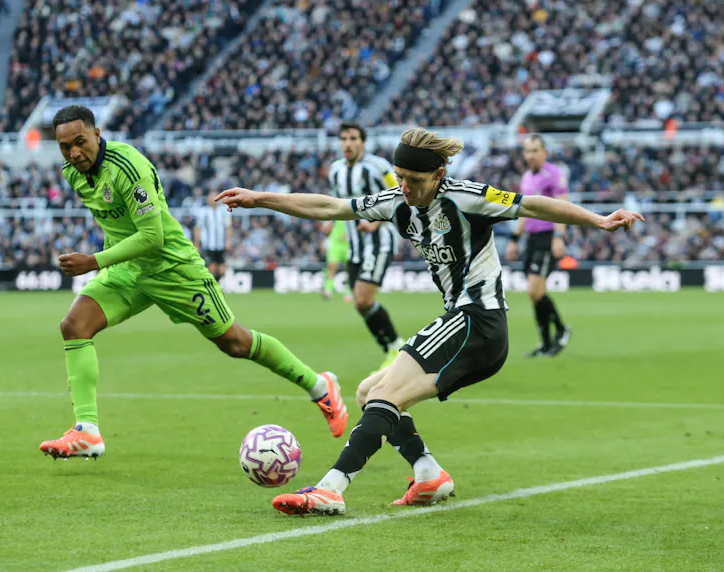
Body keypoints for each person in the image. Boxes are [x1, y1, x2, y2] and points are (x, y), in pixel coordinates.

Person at [216, 127, 643, 515]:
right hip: (468, 327)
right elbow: (330, 207)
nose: (403, 187)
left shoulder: (468, 196)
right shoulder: (396, 201)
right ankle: (427, 473)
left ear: (438, 174)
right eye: (399, 177)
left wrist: (598, 219)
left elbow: (532, 204)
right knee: (370, 392)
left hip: (478, 319)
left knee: (383, 391)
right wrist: (260, 199)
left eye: (413, 180)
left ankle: (331, 487)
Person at [39, 106, 348, 460]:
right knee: (74, 325)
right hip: (127, 269)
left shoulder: (128, 166)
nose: (74, 153)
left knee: (234, 342)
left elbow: (153, 236)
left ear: (96, 134)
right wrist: (109, 258)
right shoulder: (71, 172)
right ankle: (87, 431)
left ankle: (320, 386)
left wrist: (95, 261)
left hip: (173, 268)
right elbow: (117, 224)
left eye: (80, 142)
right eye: (65, 147)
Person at [328, 122, 404, 370]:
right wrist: (331, 225)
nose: (347, 144)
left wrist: (377, 222)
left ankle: (396, 348)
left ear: (362, 142)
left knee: (361, 299)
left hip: (379, 241)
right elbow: (337, 204)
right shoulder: (335, 170)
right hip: (354, 247)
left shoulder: (378, 167)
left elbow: (400, 196)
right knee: (362, 305)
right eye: (343, 139)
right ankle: (392, 351)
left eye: (352, 138)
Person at [506, 135, 572, 356]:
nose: (531, 155)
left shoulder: (554, 175)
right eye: (527, 151)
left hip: (547, 236)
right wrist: (515, 239)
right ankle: (545, 343)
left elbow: (563, 207)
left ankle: (561, 329)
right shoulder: (526, 177)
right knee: (533, 294)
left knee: (535, 289)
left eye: (535, 150)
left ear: (545, 152)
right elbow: (524, 211)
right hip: (531, 239)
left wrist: (558, 236)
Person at [193, 190, 232, 282]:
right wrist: (197, 243)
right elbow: (197, 228)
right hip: (208, 245)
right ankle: (213, 288)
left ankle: (215, 285)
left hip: (220, 245)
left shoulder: (223, 212)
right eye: (212, 197)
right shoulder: (203, 212)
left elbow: (229, 227)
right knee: (211, 268)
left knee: (222, 270)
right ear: (208, 199)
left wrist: (228, 241)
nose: (214, 199)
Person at [320, 220, 353, 302]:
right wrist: (327, 229)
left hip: (348, 244)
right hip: (335, 244)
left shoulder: (352, 214)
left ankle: (349, 291)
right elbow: (324, 230)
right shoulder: (334, 215)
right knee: (332, 267)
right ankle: (328, 289)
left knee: (350, 269)